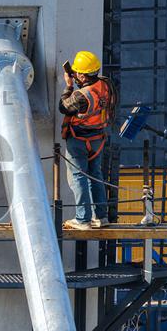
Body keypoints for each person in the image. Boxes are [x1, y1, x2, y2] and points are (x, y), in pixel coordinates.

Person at [59, 50, 116, 230]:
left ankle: (82, 219)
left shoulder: (80, 96)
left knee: (79, 177)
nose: (74, 74)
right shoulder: (106, 84)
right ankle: (101, 217)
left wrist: (68, 86)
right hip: (98, 138)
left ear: (83, 75)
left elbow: (64, 107)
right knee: (95, 175)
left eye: (76, 72)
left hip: (79, 140)